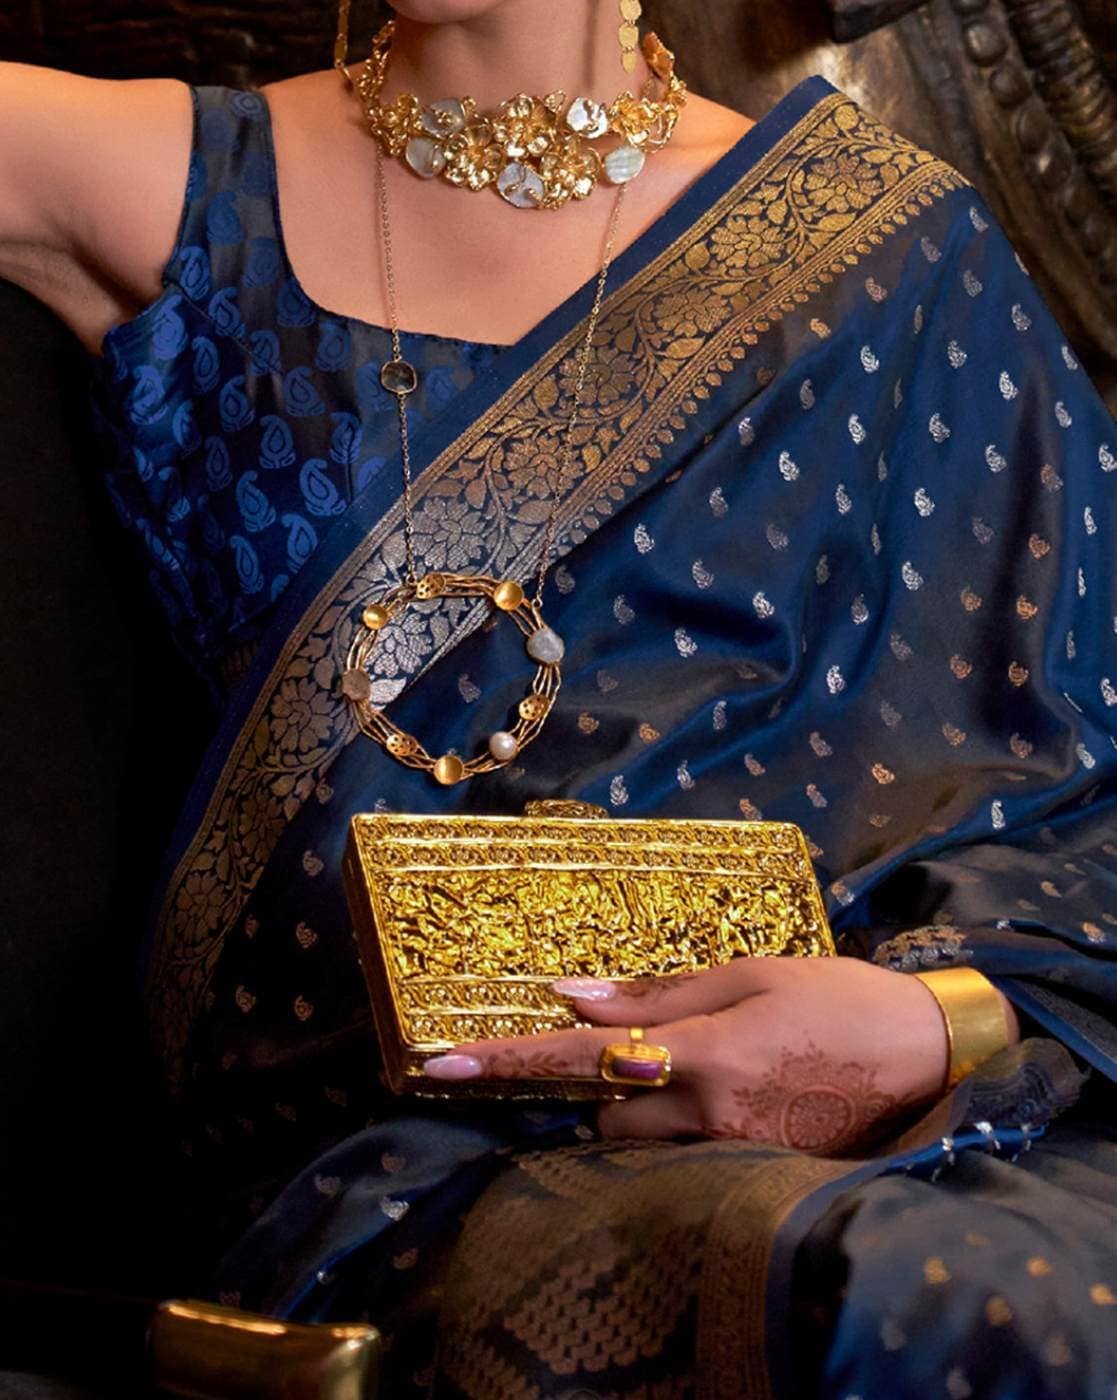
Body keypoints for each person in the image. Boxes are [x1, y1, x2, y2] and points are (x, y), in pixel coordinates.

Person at [2, 1, 1116, 1394]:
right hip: (421, 1157)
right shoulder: (171, 178)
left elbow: (1081, 777)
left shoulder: (894, 254)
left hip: (907, 1098)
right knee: (930, 1304)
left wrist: (937, 1018)